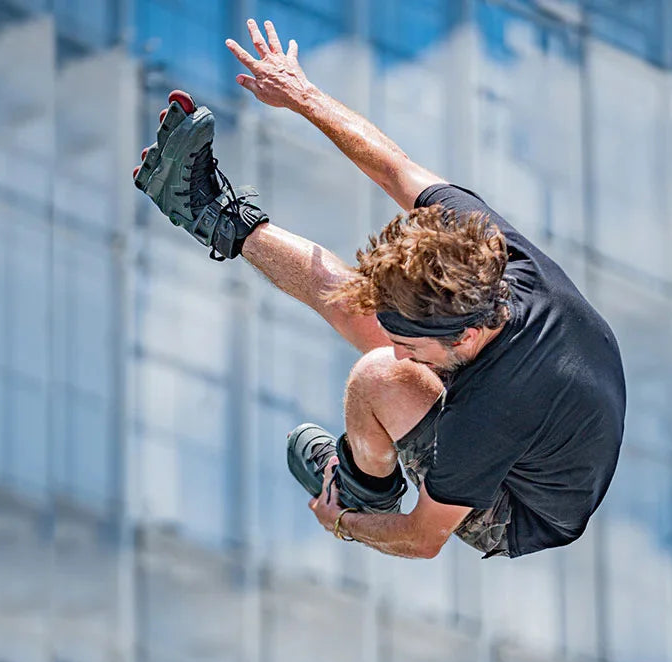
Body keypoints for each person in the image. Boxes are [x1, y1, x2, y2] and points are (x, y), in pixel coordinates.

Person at [134, 19, 626, 559]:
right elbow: (395, 169)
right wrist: (300, 94)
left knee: (380, 378)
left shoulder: (486, 419)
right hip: (550, 405)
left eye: (412, 345)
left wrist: (343, 520)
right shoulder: (483, 245)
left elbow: (422, 538)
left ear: (463, 338)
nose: (398, 349)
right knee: (352, 303)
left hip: (521, 504)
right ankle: (205, 207)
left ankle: (360, 490)